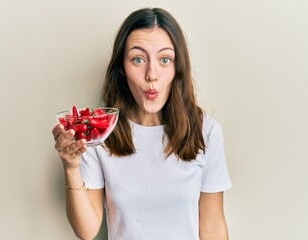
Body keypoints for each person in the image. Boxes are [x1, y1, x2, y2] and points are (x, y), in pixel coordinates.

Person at [52, 7, 232, 240]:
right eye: (138, 59)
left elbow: (213, 228)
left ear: (177, 69)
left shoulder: (206, 132)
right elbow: (86, 231)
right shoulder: (100, 133)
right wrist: (71, 167)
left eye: (165, 60)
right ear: (122, 70)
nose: (151, 74)